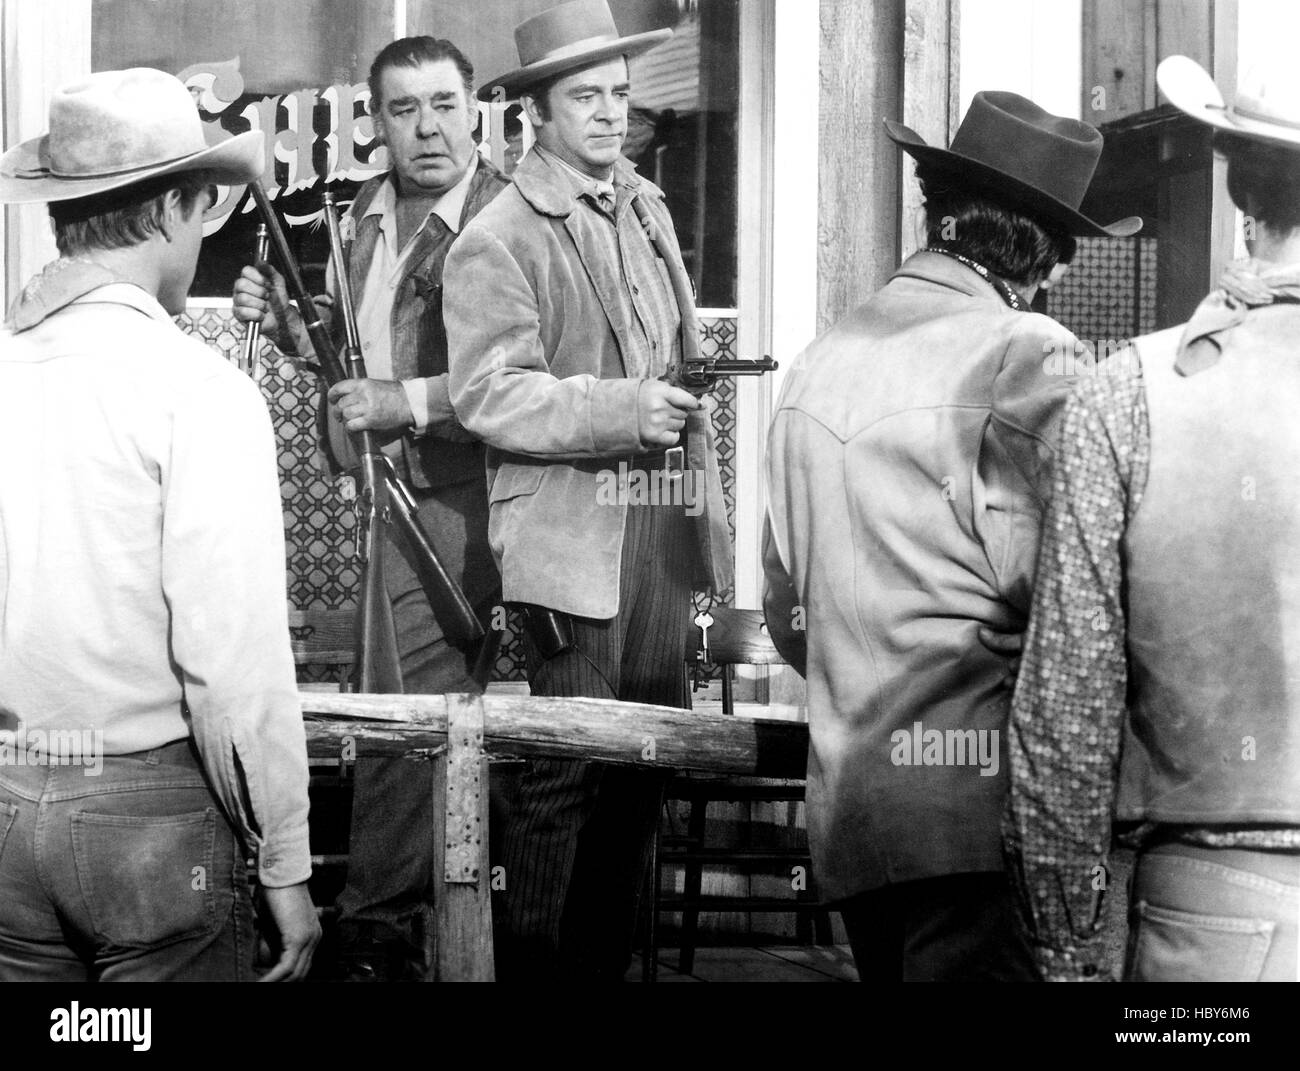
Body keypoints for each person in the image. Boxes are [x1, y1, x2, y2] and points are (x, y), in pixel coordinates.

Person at [762, 91, 1141, 982]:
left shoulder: (819, 360)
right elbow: (1070, 592)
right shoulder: (1025, 350)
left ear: (937, 212)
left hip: (857, 823)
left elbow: (789, 615)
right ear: (1043, 255)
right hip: (979, 820)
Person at [0, 68, 318, 981]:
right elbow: (235, 661)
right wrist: (286, 864)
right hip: (146, 819)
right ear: (179, 208)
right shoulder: (200, 391)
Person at [444, 0, 732, 981]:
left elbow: (677, 358)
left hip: (654, 530)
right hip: (569, 546)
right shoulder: (499, 234)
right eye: (585, 97)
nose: (609, 114)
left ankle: (603, 975)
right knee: (563, 773)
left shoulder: (643, 206)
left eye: (617, 92)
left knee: (640, 773)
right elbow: (488, 394)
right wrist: (620, 408)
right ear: (535, 111)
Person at [1005, 54, 1300, 983]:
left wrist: (1067, 945)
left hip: (1215, 918)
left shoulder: (1127, 393)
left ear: (1243, 196)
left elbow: (1067, 709)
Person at [232, 36, 508, 981]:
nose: (427, 128)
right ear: (377, 121)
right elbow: (358, 368)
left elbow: (535, 381)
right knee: (399, 728)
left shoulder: (513, 220)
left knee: (416, 728)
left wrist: (408, 401)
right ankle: (391, 935)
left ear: (475, 108)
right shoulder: (361, 221)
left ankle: (374, 932)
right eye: (403, 109)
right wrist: (295, 337)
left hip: (478, 514)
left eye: (442, 103)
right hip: (384, 514)